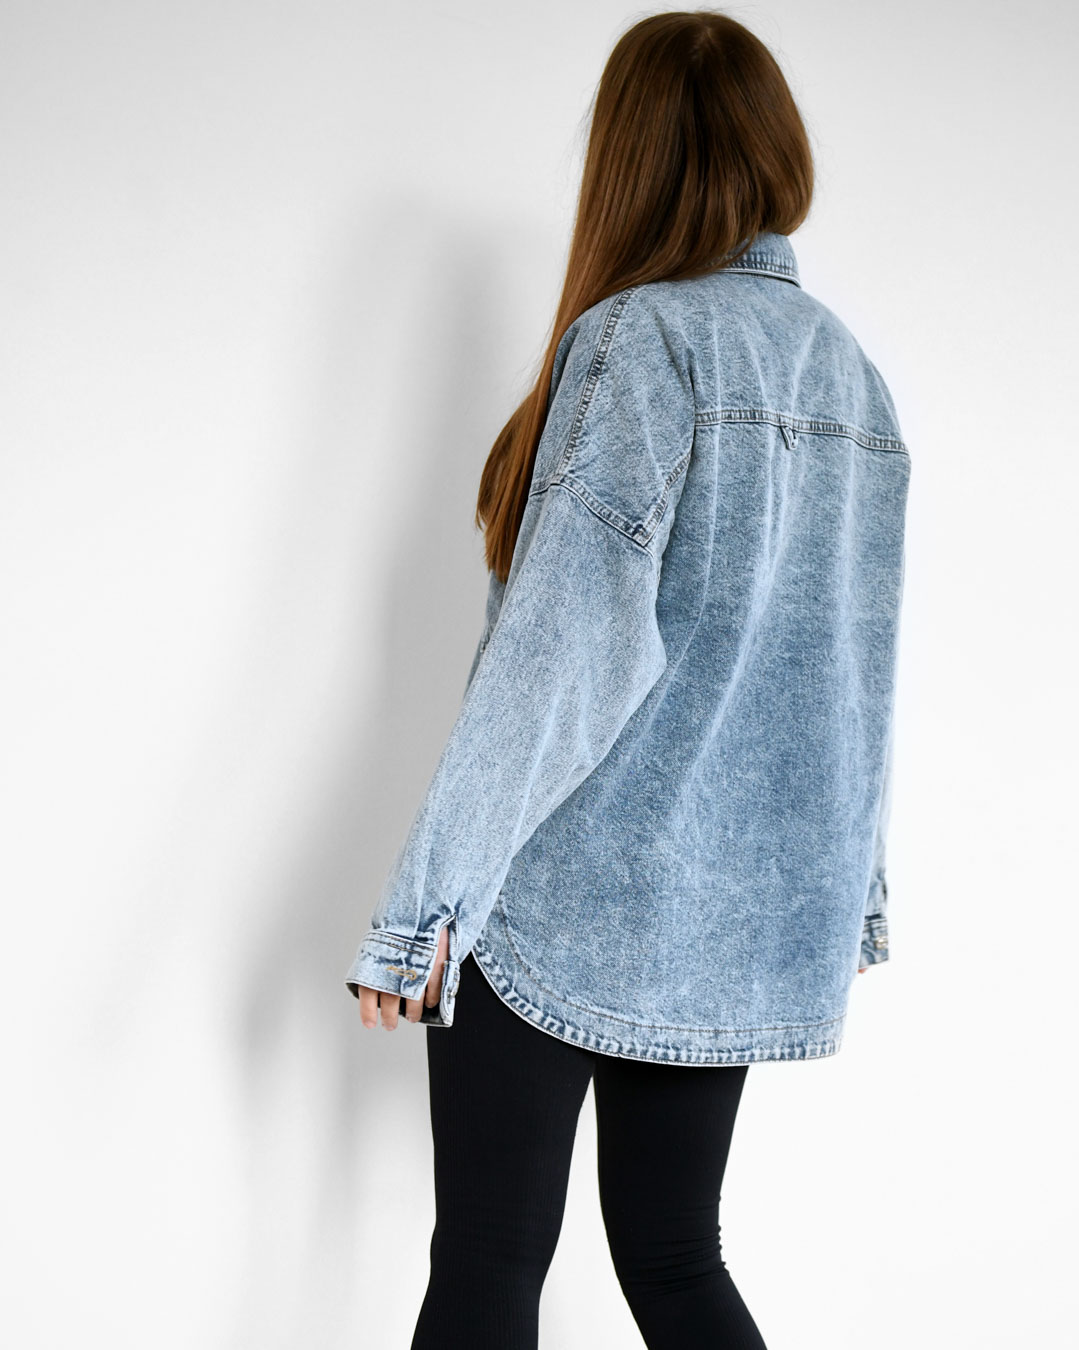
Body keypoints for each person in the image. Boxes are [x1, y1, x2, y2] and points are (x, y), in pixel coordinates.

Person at [344, 10, 910, 1349]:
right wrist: (852, 895)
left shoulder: (638, 343)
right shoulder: (856, 380)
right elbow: (854, 679)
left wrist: (428, 911)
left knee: (489, 1254)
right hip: (731, 913)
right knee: (675, 1256)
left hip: (562, 891)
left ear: (630, 157)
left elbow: (561, 651)